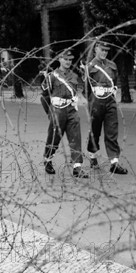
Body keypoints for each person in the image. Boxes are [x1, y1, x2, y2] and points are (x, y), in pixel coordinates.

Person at [82, 39, 128, 175]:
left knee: (112, 132)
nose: (104, 53)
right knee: (94, 132)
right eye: (102, 50)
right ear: (96, 49)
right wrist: (93, 101)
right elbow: (85, 90)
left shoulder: (112, 65)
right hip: (96, 103)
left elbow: (115, 82)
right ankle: (92, 156)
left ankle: (114, 163)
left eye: (107, 51)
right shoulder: (89, 67)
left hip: (110, 102)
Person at [41, 49, 88, 179]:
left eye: (70, 60)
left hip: (72, 110)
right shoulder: (52, 76)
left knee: (75, 137)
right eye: (65, 59)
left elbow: (81, 89)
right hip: (58, 110)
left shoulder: (74, 76)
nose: (68, 62)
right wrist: (50, 113)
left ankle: (77, 167)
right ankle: (48, 159)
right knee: (54, 137)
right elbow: (44, 97)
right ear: (59, 59)